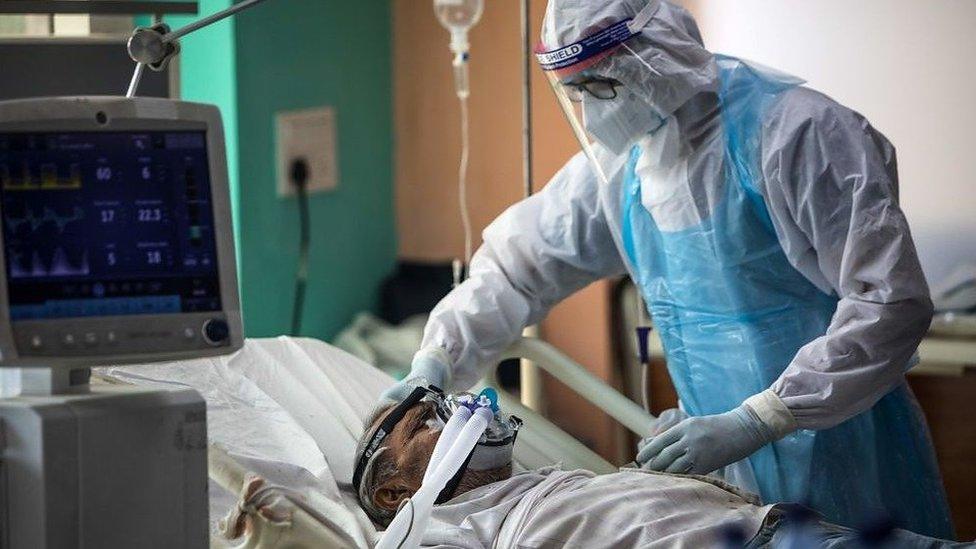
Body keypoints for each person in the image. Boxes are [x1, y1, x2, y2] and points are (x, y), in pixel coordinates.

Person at [384, 0, 953, 538]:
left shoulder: (798, 135)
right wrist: (439, 358)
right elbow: (517, 268)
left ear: (656, 53)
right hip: (711, 458)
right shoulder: (622, 169)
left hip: (842, 441)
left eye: (603, 84)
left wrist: (760, 419)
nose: (593, 111)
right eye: (575, 91)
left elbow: (889, 304)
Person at [354, 397, 968, 548]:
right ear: (395, 490)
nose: (456, 408)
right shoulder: (445, 531)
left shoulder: (537, 489)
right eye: (424, 423)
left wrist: (644, 472)